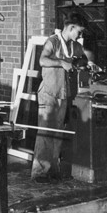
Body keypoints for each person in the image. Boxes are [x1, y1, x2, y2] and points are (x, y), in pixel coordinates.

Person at [31, 12, 88, 183]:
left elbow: (83, 59)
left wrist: (86, 64)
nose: (80, 35)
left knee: (57, 133)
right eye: (79, 31)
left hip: (63, 94)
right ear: (71, 28)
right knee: (45, 133)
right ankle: (40, 173)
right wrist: (61, 62)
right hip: (48, 94)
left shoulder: (75, 45)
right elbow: (42, 61)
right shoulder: (53, 42)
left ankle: (53, 170)